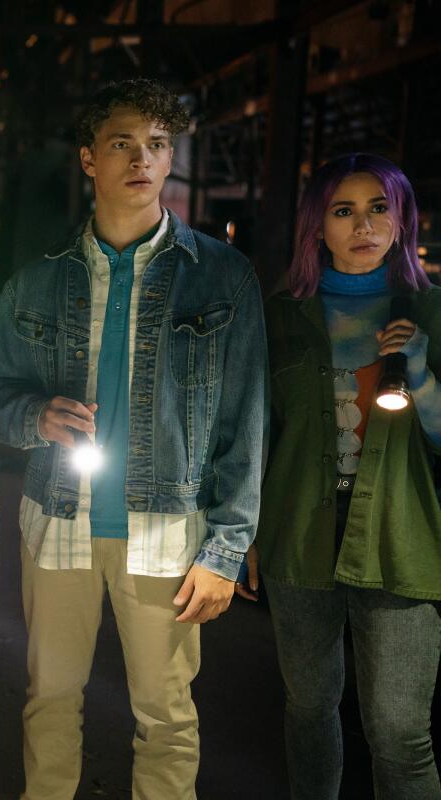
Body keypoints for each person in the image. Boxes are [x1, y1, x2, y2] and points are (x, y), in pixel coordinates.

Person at [0, 78, 268, 800]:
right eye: (122, 143)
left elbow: (246, 421)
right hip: (58, 520)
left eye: (158, 144)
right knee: (50, 698)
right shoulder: (37, 282)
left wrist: (227, 548)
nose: (142, 159)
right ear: (88, 158)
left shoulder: (222, 277)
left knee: (166, 716)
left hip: (167, 531)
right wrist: (34, 417)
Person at [247, 153, 441, 799]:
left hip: (401, 538)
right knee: (308, 709)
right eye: (344, 210)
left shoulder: (432, 314)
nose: (364, 224)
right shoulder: (281, 316)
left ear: (403, 219)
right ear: (318, 227)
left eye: (379, 207)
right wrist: (239, 534)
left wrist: (419, 371)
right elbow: (254, 432)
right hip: (298, 535)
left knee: (398, 731)